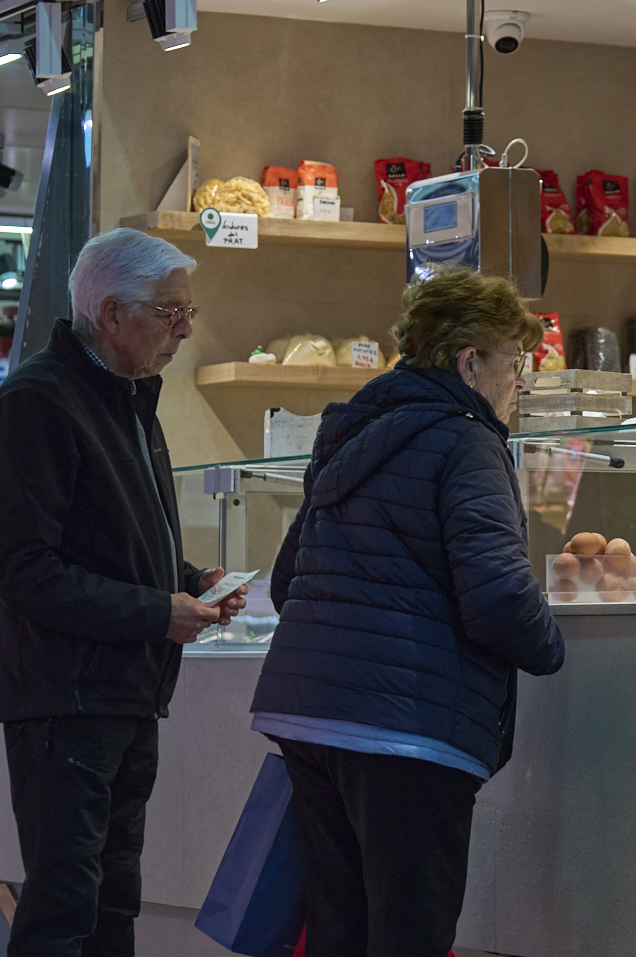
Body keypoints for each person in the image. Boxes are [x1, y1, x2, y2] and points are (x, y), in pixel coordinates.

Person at [250, 266, 566, 957]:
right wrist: (552, 644)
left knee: (338, 930)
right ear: (468, 362)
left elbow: (286, 579)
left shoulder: (355, 428)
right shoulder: (468, 439)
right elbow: (499, 596)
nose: (521, 381)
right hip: (408, 730)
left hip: (310, 719)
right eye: (515, 361)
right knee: (409, 934)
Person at [0, 228, 247, 956]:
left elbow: (109, 541)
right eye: (169, 312)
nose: (184, 329)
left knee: (112, 906)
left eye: (188, 311)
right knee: (63, 913)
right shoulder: (36, 402)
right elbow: (24, 570)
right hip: (65, 703)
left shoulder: (128, 399)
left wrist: (190, 581)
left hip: (125, 695)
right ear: (109, 313)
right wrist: (157, 612)